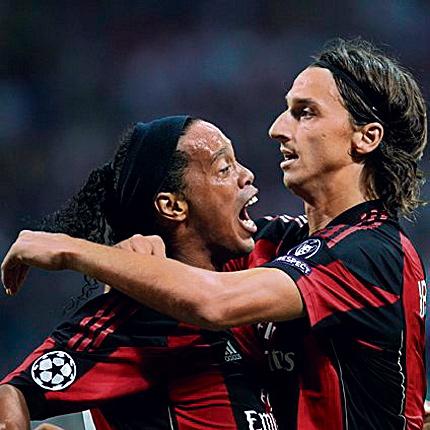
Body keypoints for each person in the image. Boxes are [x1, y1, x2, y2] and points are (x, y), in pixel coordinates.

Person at [2, 38, 428, 428]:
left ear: (366, 137)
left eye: (305, 112)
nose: (277, 128)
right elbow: (196, 254)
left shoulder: (370, 251)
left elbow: (214, 302)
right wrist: (134, 254)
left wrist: (72, 250)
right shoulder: (280, 244)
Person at [0, 116, 292, 429]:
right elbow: (11, 394)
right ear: (173, 206)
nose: (246, 175)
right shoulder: (137, 319)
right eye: (224, 168)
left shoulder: (258, 257)